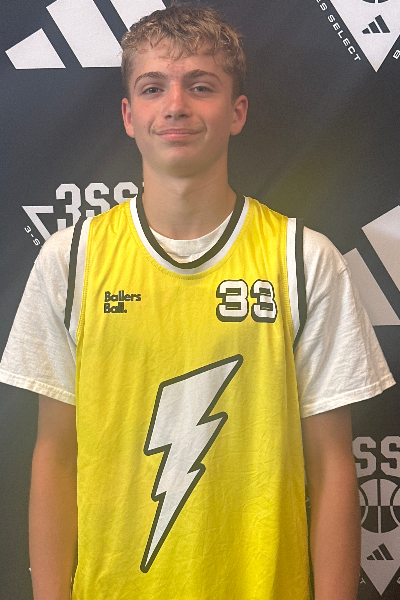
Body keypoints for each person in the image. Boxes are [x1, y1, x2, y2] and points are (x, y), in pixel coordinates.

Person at [0, 4, 395, 600]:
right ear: (129, 116)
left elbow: (333, 464)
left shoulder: (302, 259)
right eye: (153, 87)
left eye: (201, 86)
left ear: (237, 112)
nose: (176, 105)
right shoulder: (71, 260)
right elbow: (55, 455)